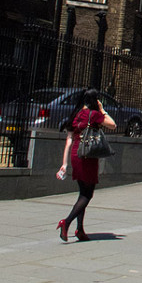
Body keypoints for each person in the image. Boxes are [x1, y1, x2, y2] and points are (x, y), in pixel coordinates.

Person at [56, 88, 116, 242]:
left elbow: (69, 140)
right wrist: (102, 110)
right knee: (87, 194)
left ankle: (80, 230)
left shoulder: (76, 115)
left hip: (76, 154)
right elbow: (112, 125)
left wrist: (64, 164)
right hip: (88, 156)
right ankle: (66, 222)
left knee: (82, 192)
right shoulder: (94, 115)